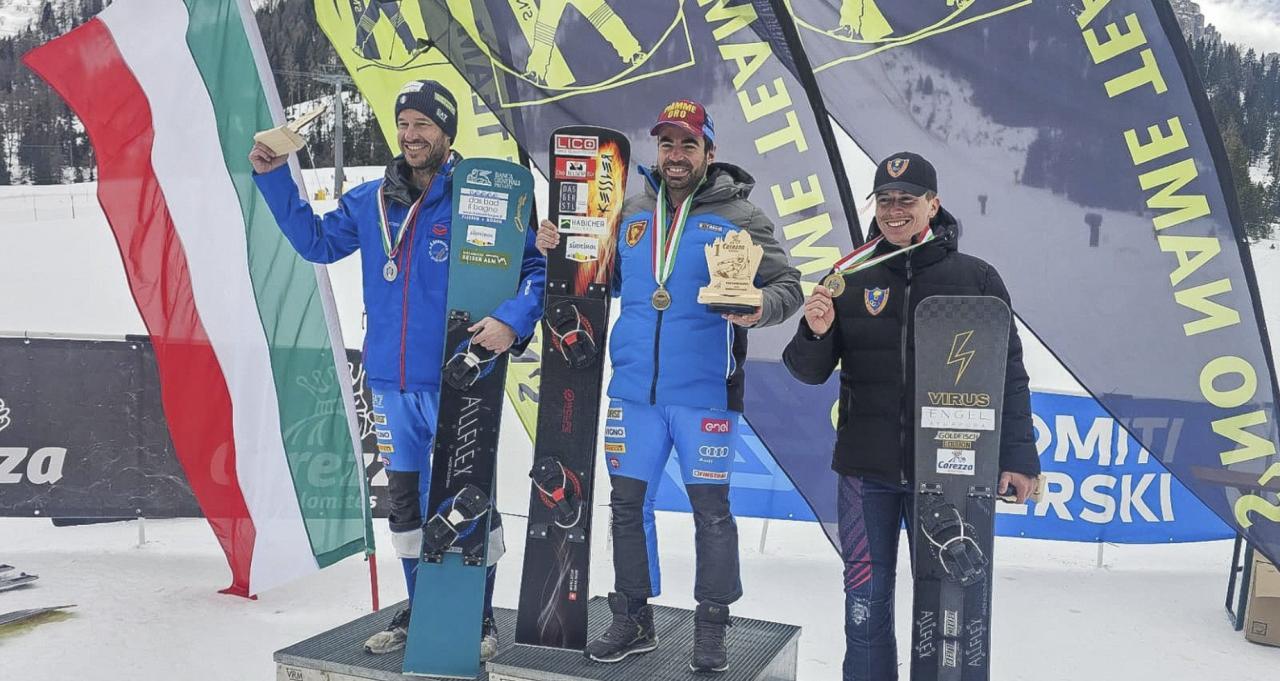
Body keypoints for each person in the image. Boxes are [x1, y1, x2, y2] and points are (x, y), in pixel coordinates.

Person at [248, 80, 545, 659]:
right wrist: (274, 176)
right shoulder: (369, 201)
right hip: (389, 381)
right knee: (407, 508)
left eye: (423, 125)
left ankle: (478, 616)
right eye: (403, 124)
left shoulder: (482, 196)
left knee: (465, 498)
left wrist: (511, 321)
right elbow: (315, 242)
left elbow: (533, 270)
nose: (411, 136)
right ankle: (422, 609)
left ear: (446, 132)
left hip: (460, 379)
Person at [536, 100, 802, 673]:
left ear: (710, 152)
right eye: (667, 144)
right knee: (627, 507)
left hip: (706, 392)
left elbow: (788, 285)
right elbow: (594, 278)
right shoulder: (631, 211)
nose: (676, 155)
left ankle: (712, 626)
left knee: (712, 512)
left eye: (688, 144)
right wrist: (559, 246)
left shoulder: (742, 216)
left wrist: (760, 307)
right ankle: (633, 617)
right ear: (657, 150)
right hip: (633, 392)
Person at [781, 152, 1040, 681]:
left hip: (949, 476)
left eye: (908, 199)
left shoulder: (976, 278)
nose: (894, 210)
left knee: (951, 608)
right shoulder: (848, 276)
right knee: (865, 608)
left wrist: (1018, 456)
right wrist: (814, 330)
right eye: (885, 200)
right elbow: (807, 371)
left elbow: (1009, 377)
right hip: (864, 472)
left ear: (933, 204)